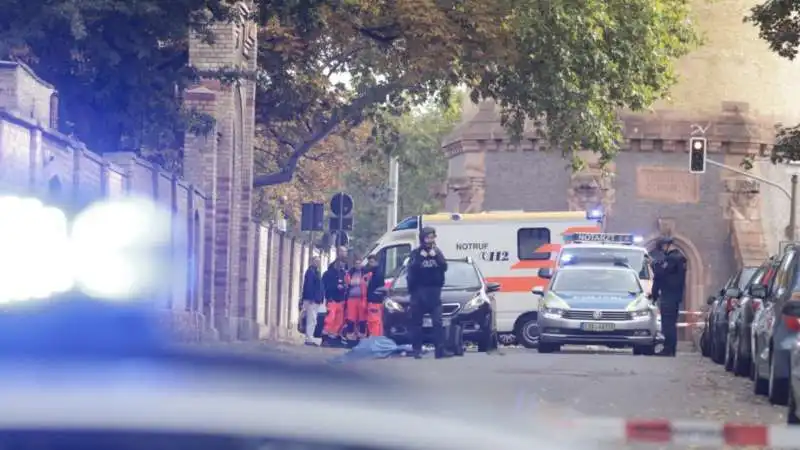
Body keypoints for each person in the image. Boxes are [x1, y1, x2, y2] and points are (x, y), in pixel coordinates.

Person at [407, 227, 448, 359]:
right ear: (422, 239)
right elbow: (412, 269)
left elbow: (444, 266)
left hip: (434, 293)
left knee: (437, 322)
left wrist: (435, 255)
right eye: (428, 237)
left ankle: (440, 351)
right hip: (419, 293)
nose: (430, 240)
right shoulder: (415, 253)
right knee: (417, 323)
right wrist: (420, 258)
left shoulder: (437, 252)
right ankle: (417, 350)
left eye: (432, 237)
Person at [651, 237, 687, 357]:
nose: (661, 251)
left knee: (668, 324)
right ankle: (671, 348)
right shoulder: (680, 258)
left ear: (666, 245)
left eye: (661, 248)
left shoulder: (672, 259)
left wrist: (655, 265)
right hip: (675, 295)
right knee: (671, 323)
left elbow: (660, 275)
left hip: (669, 295)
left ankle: (668, 349)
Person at [322, 253, 348, 347]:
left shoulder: (344, 273)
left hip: (341, 300)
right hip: (332, 299)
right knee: (330, 320)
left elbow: (347, 283)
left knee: (339, 321)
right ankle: (325, 339)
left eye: (343, 263)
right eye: (340, 262)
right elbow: (325, 286)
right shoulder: (328, 273)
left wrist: (344, 287)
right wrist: (335, 287)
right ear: (336, 262)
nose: (342, 265)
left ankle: (333, 338)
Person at [343, 254, 369, 341]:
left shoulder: (366, 272)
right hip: (351, 299)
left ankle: (361, 334)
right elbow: (348, 282)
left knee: (362, 317)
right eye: (356, 263)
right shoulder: (350, 272)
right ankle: (350, 334)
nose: (358, 265)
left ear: (362, 263)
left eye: (359, 263)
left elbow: (366, 282)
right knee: (351, 317)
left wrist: (355, 282)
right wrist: (358, 282)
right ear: (354, 264)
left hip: (362, 298)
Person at [300, 256, 323, 345]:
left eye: (319, 261)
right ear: (312, 262)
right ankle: (309, 338)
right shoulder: (310, 272)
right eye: (316, 261)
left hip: (316, 299)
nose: (318, 263)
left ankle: (309, 336)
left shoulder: (316, 272)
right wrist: (311, 298)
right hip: (312, 299)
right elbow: (309, 286)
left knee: (313, 319)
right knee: (311, 319)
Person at [365, 255, 386, 337]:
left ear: (376, 262)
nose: (370, 264)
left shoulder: (377, 274)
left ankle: (375, 339)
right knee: (375, 322)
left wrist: (368, 284)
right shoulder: (374, 272)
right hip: (375, 301)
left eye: (372, 262)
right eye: (369, 262)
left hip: (374, 301)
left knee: (374, 322)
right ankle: (376, 338)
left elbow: (375, 287)